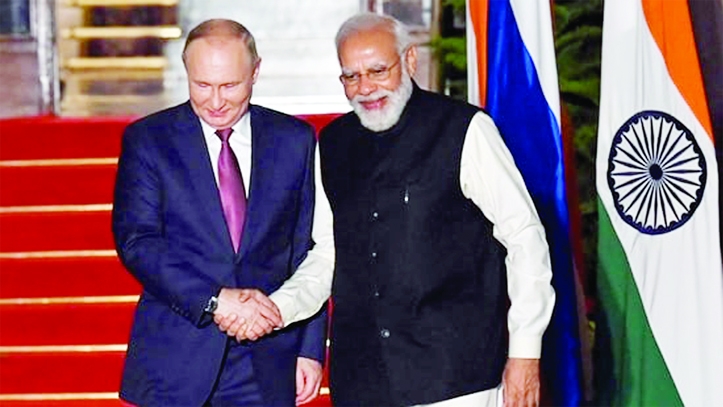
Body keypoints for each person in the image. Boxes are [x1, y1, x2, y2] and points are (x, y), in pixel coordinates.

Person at [318, 13, 555, 407]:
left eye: (378, 70)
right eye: (351, 76)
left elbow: (525, 237)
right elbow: (325, 256)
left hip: (458, 381)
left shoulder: (465, 129)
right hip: (361, 383)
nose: (366, 88)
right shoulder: (332, 144)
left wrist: (525, 353)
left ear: (409, 61)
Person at [112, 18, 334, 406]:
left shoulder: (295, 141)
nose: (215, 101)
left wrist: (311, 348)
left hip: (267, 359)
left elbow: (307, 248)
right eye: (202, 85)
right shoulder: (149, 141)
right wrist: (216, 300)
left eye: (230, 85)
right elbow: (138, 242)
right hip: (176, 357)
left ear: (256, 72)